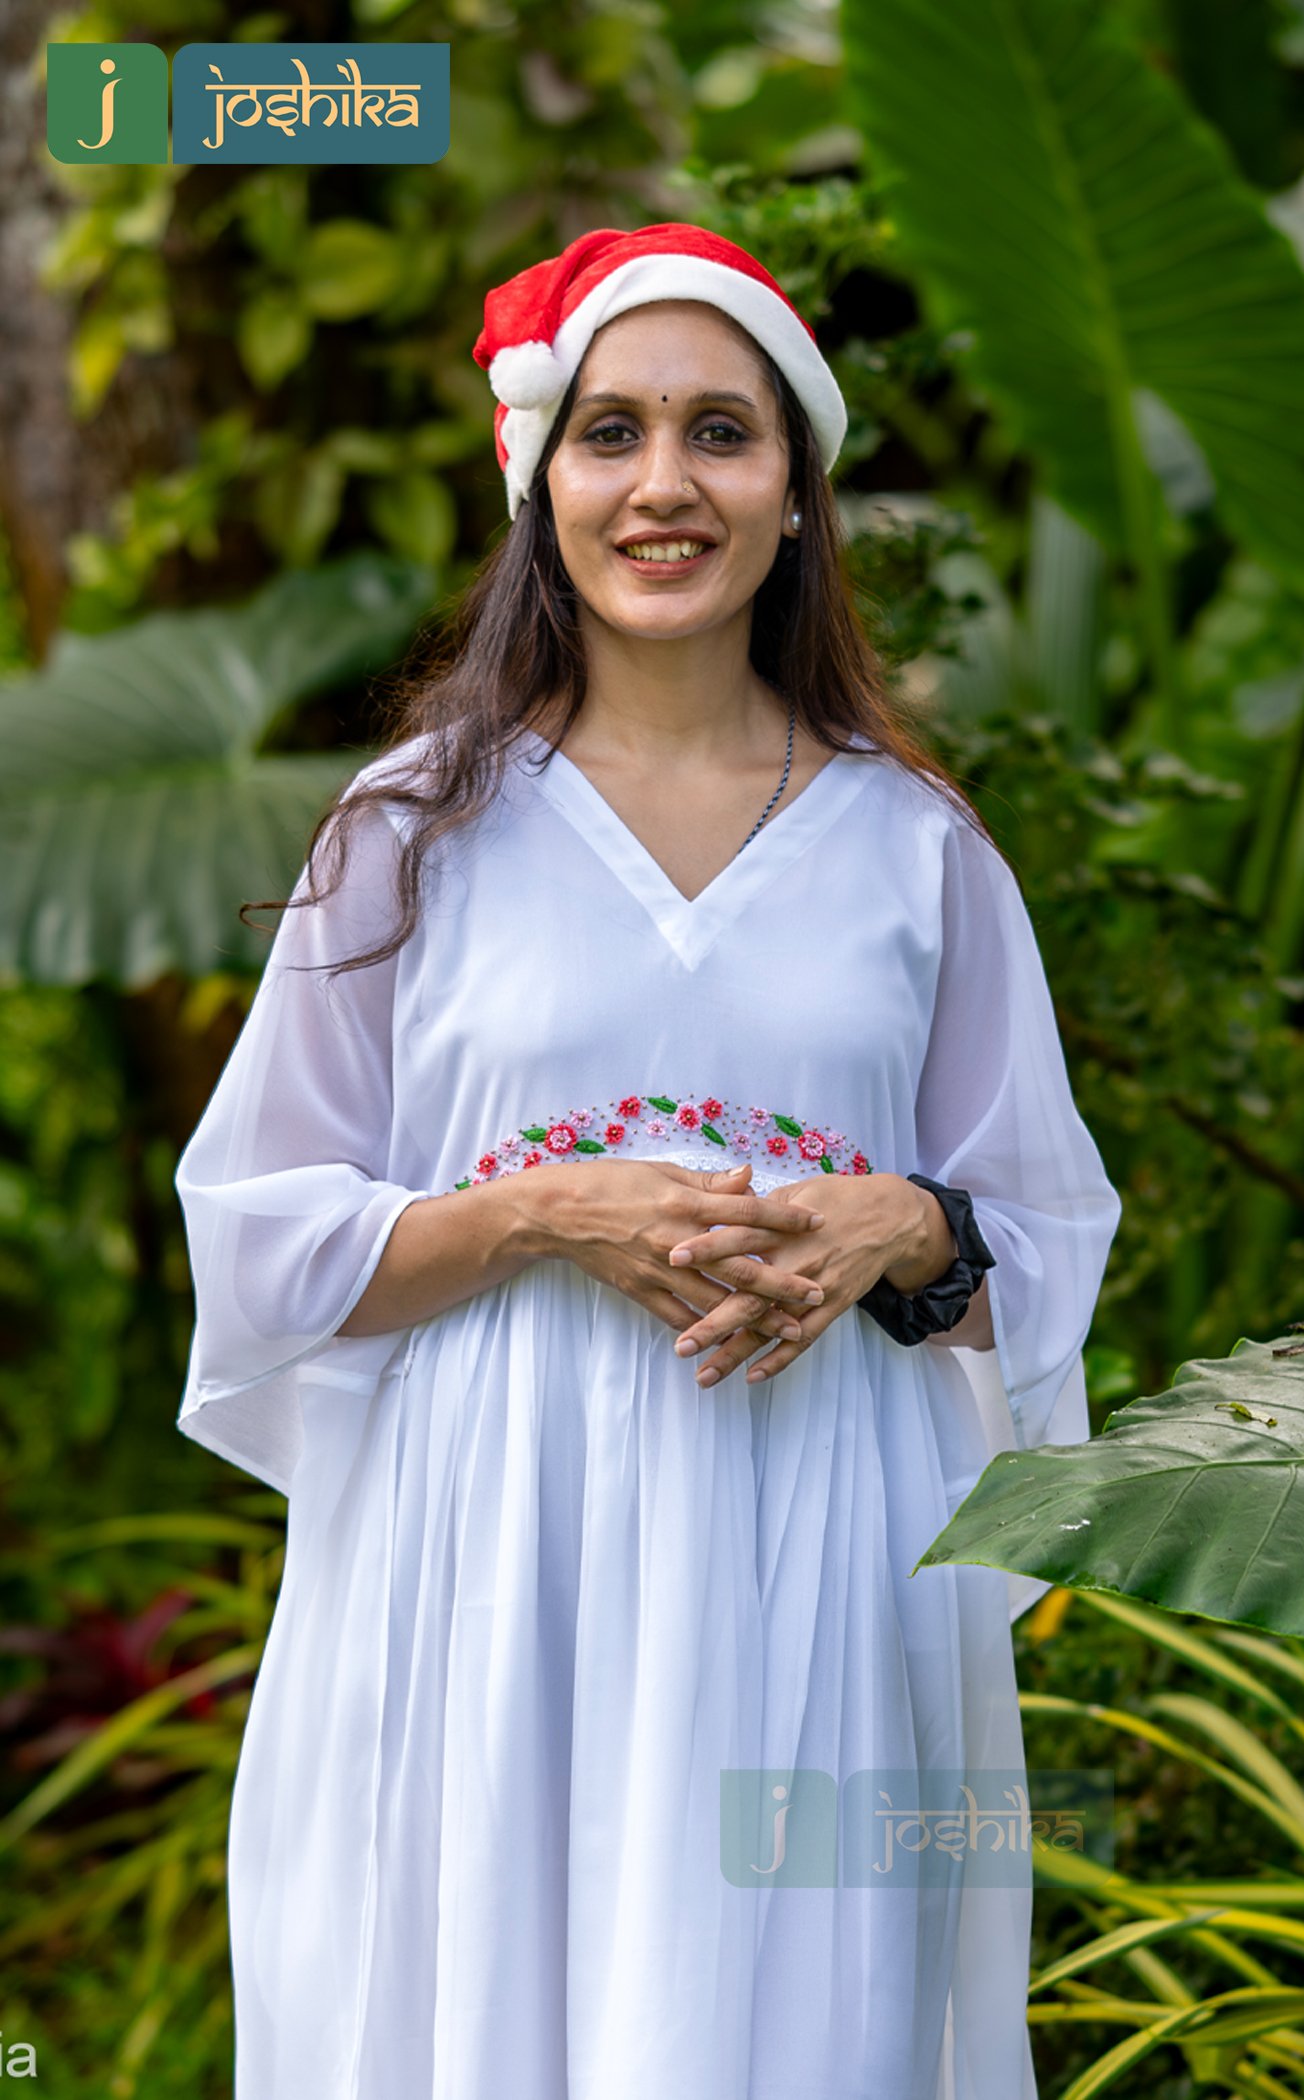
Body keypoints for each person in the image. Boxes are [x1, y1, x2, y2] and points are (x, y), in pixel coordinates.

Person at [173, 221, 1123, 2100]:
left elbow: (1035, 1229)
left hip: (822, 1545)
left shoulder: (914, 847)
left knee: (812, 2026)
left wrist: (906, 1222)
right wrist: (538, 1207)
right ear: (543, 484)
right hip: (490, 1553)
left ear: (796, 494)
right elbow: (262, 1241)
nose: (665, 484)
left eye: (721, 433)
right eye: (611, 432)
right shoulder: (412, 832)